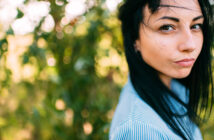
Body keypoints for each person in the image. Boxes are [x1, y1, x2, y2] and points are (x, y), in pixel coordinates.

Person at [109, 0, 214, 139]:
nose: (190, 44)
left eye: (195, 25)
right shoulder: (141, 130)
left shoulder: (173, 88)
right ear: (135, 39)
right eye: (167, 27)